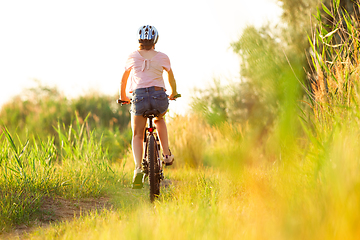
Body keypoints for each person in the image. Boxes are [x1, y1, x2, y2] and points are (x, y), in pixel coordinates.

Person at [119, 25, 179, 189]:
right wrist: (173, 93)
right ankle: (166, 155)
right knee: (160, 120)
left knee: (138, 134)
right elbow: (171, 78)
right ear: (155, 40)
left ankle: (138, 169)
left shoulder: (132, 56)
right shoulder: (163, 57)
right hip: (159, 97)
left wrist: (123, 97)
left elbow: (124, 81)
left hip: (139, 98)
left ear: (139, 40)